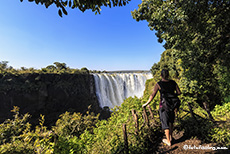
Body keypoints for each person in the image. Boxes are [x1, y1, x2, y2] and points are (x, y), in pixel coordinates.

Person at [142, 69, 181, 146]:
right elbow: (179, 92)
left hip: (164, 106)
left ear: (161, 76)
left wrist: (146, 103)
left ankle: (168, 141)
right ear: (168, 75)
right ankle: (170, 137)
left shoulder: (159, 84)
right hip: (172, 105)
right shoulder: (173, 82)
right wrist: (172, 95)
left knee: (165, 123)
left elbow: (153, 95)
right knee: (171, 122)